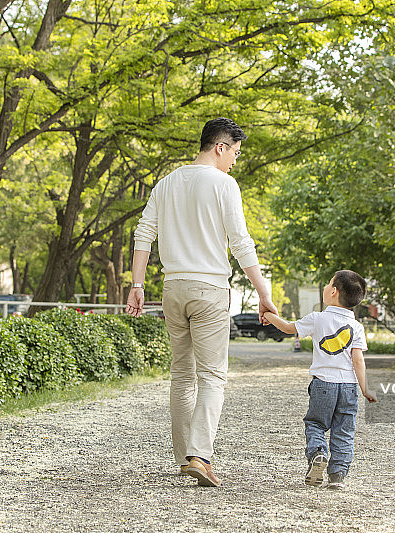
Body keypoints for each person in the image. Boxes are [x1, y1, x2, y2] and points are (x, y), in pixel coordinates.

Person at [126, 117, 277, 487]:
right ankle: (199, 455)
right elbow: (240, 242)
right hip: (209, 289)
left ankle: (183, 459)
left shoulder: (165, 183)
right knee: (211, 376)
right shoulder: (224, 184)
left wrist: (137, 284)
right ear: (220, 147)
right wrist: (263, 291)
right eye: (235, 153)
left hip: (173, 288)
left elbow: (144, 233)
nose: (235, 162)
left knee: (182, 374)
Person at [264, 270, 377, 490]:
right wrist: (365, 389)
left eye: (329, 283)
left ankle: (318, 453)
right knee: (344, 430)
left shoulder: (318, 318)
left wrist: (268, 315)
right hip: (349, 387)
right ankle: (337, 476)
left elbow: (287, 327)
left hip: (323, 384)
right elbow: (358, 361)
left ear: (333, 292)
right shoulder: (357, 327)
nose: (326, 286)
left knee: (316, 424)